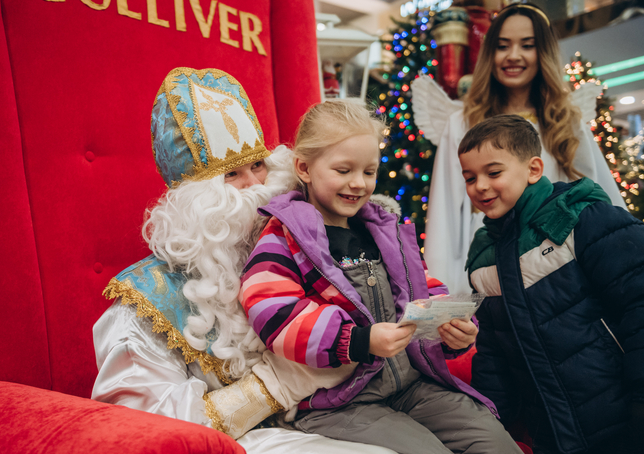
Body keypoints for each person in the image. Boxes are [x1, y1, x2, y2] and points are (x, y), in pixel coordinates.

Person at [92, 67, 394, 454]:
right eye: (232, 174)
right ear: (194, 199)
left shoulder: (302, 246)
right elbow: (138, 433)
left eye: (258, 165)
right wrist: (272, 387)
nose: (256, 187)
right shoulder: (144, 304)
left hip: (336, 414)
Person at [240, 99, 523, 454]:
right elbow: (273, 310)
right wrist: (358, 339)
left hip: (411, 383)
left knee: (497, 443)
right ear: (305, 168)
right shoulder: (284, 234)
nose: (358, 184)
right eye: (343, 170)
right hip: (339, 401)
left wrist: (451, 329)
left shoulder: (383, 228)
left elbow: (422, 286)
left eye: (369, 172)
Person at [460, 114, 644, 454]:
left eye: (493, 172)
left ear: (533, 169)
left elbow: (638, 306)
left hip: (622, 418)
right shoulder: (484, 256)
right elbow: (493, 351)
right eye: (470, 178)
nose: (480, 186)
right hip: (551, 430)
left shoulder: (583, 218)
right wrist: (488, 420)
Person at [415, 2, 626, 294]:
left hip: (560, 274)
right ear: (490, 53)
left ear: (543, 53)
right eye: (503, 46)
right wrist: (445, 294)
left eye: (527, 45)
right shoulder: (463, 122)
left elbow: (602, 197)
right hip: (492, 273)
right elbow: (445, 213)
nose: (513, 56)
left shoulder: (565, 120)